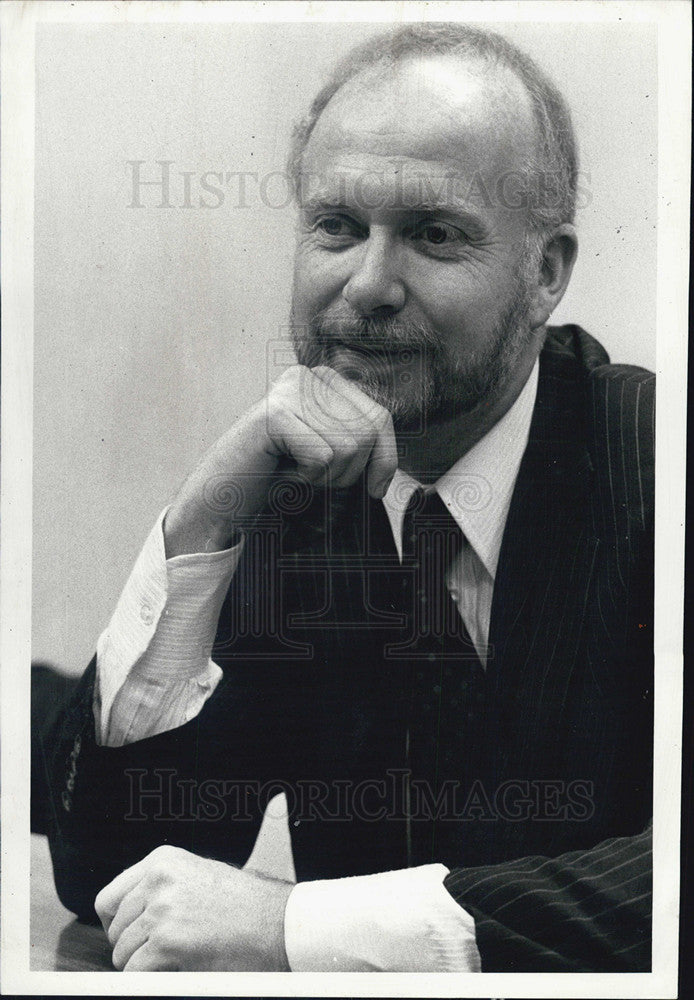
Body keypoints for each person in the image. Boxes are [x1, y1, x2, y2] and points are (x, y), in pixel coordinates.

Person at [45, 23, 654, 973]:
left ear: (545, 273)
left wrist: (291, 928)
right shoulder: (296, 501)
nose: (368, 285)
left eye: (433, 234)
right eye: (336, 226)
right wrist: (203, 521)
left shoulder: (656, 466)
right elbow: (112, 865)